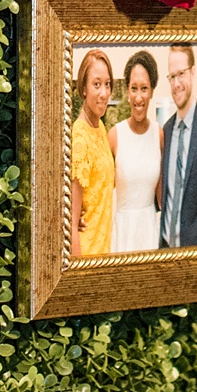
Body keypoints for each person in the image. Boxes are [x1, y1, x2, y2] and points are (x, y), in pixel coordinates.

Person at [157, 42, 197, 248]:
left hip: (196, 247)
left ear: (193, 73)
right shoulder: (166, 131)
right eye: (172, 76)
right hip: (166, 246)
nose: (176, 83)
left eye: (181, 74)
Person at [109, 51, 163, 255]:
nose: (138, 97)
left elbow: (161, 197)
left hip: (150, 231)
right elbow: (100, 191)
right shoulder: (114, 136)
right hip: (122, 233)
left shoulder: (159, 135)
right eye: (133, 89)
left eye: (144, 89)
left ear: (152, 91)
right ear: (127, 90)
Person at [69, 48, 115, 259]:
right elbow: (70, 224)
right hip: (87, 256)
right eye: (96, 84)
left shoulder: (99, 127)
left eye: (107, 84)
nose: (104, 93)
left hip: (102, 252)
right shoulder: (80, 137)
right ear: (84, 88)